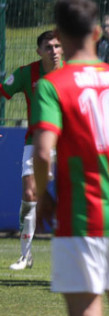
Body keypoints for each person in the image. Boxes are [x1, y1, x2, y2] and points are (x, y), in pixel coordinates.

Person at [31, 0, 109, 316]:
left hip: (80, 217)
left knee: (85, 308)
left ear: (58, 35)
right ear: (97, 33)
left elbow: (43, 154)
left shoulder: (52, 85)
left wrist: (42, 195)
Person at [0, 30, 64, 270]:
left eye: (58, 46)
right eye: (49, 47)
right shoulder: (27, 73)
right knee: (29, 195)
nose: (54, 51)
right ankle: (25, 255)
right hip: (35, 142)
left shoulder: (72, 73)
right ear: (39, 51)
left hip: (68, 142)